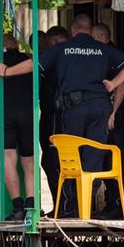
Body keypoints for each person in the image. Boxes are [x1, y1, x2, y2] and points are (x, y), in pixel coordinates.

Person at [0, 14, 124, 218]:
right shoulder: (103, 49)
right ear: (90, 30)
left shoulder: (62, 49)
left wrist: (7, 71)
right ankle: (86, 207)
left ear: (72, 29)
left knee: (71, 158)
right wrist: (113, 83)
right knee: (93, 159)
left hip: (74, 108)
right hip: (99, 108)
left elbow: (33, 65)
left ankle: (71, 209)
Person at [0, 32, 35, 222]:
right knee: (28, 160)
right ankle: (31, 207)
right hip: (28, 112)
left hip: (5, 112)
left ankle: (17, 208)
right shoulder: (29, 59)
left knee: (8, 157)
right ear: (16, 43)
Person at [93, 23, 124, 219]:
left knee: (116, 163)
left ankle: (116, 206)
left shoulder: (111, 55)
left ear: (101, 37)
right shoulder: (102, 55)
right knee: (105, 161)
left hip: (116, 119)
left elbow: (121, 88)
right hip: (106, 117)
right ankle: (111, 204)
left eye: (93, 37)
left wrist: (113, 113)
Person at [40, 26, 70, 212]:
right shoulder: (52, 62)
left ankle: (64, 206)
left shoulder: (62, 63)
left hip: (58, 117)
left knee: (55, 162)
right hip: (49, 115)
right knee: (49, 162)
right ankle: (60, 206)